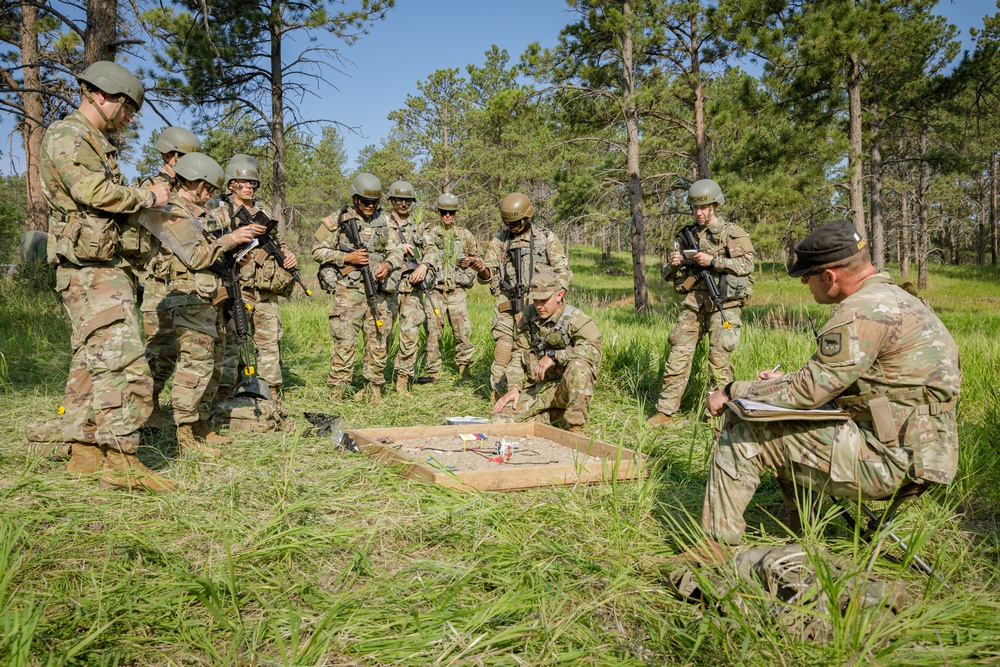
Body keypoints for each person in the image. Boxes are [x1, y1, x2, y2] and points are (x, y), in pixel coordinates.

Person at [687, 220, 960, 562]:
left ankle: (712, 552)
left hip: (889, 461)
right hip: (925, 454)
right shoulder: (898, 299)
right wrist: (776, 388)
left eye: (807, 276)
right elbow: (857, 384)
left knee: (744, 428)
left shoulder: (860, 311)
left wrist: (732, 390)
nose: (804, 283)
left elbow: (806, 391)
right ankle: (803, 534)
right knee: (792, 424)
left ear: (829, 276)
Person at [40, 61, 171, 491]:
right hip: (89, 270)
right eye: (127, 106)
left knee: (89, 361)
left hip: (98, 265)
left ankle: (84, 452)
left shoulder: (95, 142)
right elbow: (91, 192)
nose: (130, 117)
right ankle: (121, 460)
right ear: (100, 94)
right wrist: (148, 196)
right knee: (124, 360)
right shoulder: (68, 135)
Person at [144, 152, 264, 456]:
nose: (209, 195)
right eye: (206, 188)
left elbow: (211, 252)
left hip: (208, 298)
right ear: (191, 181)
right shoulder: (174, 212)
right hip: (187, 299)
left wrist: (237, 251)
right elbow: (196, 256)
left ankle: (199, 425)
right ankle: (183, 435)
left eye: (212, 189)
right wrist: (231, 240)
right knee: (193, 366)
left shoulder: (201, 213)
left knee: (212, 364)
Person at [648, 179, 755, 426]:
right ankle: (665, 413)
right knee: (677, 356)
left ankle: (716, 418)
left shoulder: (732, 233)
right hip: (694, 305)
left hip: (724, 306)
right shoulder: (686, 235)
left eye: (705, 207)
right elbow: (667, 275)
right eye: (695, 208)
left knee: (720, 363)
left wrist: (714, 262)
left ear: (715, 205)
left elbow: (747, 265)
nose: (699, 212)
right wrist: (674, 264)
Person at [313, 173, 403, 403]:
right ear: (355, 198)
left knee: (378, 341)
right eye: (365, 202)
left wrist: (387, 264)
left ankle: (373, 389)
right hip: (349, 291)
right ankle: (338, 392)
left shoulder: (386, 222)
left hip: (377, 291)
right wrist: (347, 257)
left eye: (374, 202)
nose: (370, 206)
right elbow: (317, 251)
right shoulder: (337, 220)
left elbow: (397, 251)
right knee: (344, 341)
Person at [213, 156, 298, 400]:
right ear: (231, 184)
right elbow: (210, 244)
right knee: (231, 343)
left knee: (270, 342)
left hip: (265, 289)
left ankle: (271, 392)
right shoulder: (218, 210)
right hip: (236, 288)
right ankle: (225, 395)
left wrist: (288, 256)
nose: (249, 187)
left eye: (253, 183)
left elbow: (279, 244)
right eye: (243, 182)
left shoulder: (264, 209)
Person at [478, 192, 572, 399]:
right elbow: (488, 275)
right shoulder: (499, 242)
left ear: (527, 217)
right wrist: (481, 269)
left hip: (539, 304)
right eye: (508, 222)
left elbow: (563, 271)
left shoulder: (546, 238)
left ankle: (542, 391)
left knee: (539, 347)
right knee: (504, 346)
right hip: (507, 302)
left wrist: (558, 294)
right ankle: (498, 392)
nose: (512, 226)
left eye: (516, 222)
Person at [138, 126, 201, 424]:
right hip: (157, 282)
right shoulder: (152, 187)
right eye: (184, 158)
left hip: (187, 282)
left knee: (183, 347)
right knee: (160, 348)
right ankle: (146, 408)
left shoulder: (192, 190)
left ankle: (173, 410)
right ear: (167, 155)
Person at [491, 272, 601, 434]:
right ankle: (554, 417)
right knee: (499, 420)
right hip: (539, 389)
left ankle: (576, 428)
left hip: (565, 389)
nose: (539, 305)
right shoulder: (529, 315)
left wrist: (555, 356)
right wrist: (514, 387)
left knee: (579, 366)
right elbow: (518, 354)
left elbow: (594, 350)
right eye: (535, 300)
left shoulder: (575, 319)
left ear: (559, 295)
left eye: (544, 300)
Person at [381, 180, 439, 395]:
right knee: (381, 335)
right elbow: (373, 247)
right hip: (387, 288)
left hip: (413, 289)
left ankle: (402, 381)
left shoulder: (419, 226)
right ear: (392, 201)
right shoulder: (382, 222)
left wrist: (424, 265)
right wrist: (398, 247)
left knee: (410, 335)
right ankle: (375, 382)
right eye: (399, 199)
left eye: (407, 200)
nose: (403, 204)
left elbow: (432, 249)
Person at [424, 193, 480, 380]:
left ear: (455, 213)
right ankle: (433, 372)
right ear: (439, 212)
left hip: (457, 291)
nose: (448, 216)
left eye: (451, 212)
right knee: (433, 332)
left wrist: (467, 267)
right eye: (444, 212)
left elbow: (477, 260)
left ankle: (464, 370)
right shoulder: (430, 234)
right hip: (435, 291)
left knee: (462, 332)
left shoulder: (464, 235)